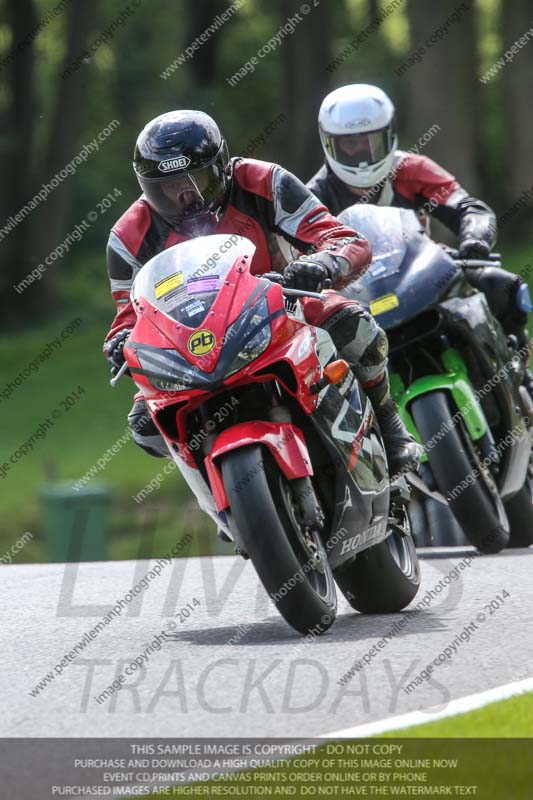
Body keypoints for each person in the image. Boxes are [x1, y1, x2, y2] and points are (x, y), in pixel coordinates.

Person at [103, 109, 422, 475]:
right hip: (193, 343)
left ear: (222, 165)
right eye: (168, 187)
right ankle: (219, 499)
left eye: (197, 180)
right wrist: (121, 341)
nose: (185, 196)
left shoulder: (263, 181)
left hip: (284, 303)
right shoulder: (128, 236)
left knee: (352, 324)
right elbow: (128, 313)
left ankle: (392, 428)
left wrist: (322, 264)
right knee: (146, 421)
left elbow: (340, 238)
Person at [307, 83, 533, 398]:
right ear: (329, 145)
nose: (362, 155)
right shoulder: (310, 199)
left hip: (424, 270)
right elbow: (293, 254)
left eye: (370, 142)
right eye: (350, 146)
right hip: (360, 298)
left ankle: (524, 379)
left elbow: (468, 207)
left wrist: (474, 240)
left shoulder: (411, 169)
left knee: (502, 286)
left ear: (389, 136)